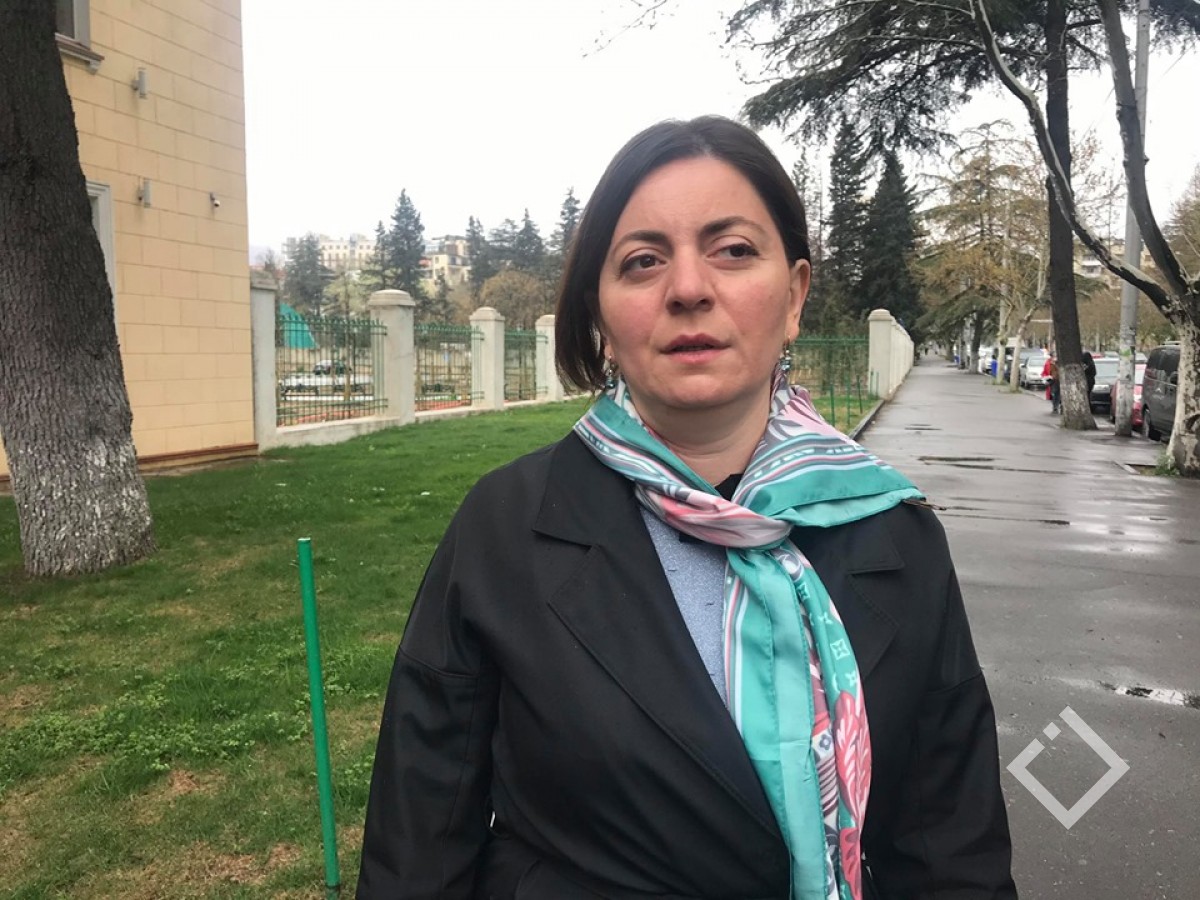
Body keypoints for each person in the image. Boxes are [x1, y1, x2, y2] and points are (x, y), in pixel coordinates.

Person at [357, 116, 1017, 900]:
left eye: (732, 250)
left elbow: (952, 850)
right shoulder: (504, 531)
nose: (689, 289)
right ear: (601, 318)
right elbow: (421, 845)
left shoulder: (893, 533)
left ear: (794, 296)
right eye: (643, 261)